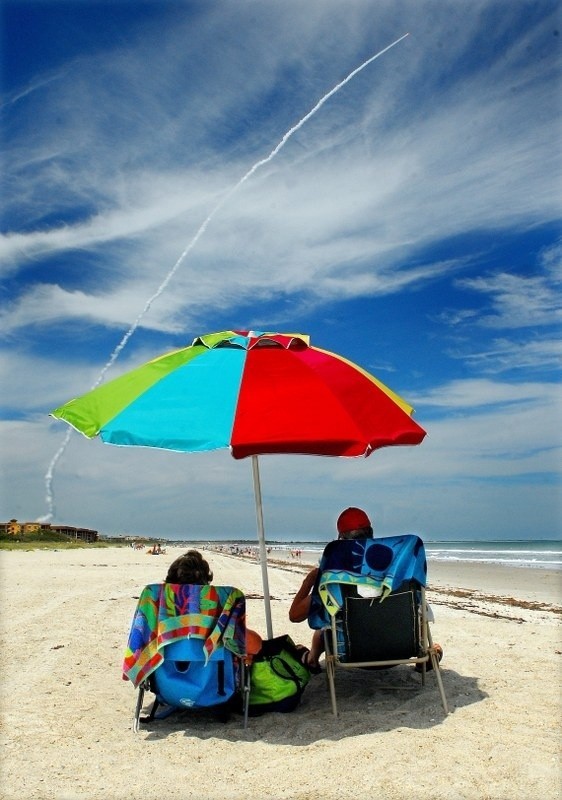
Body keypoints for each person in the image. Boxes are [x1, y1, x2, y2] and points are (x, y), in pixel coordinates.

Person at [289, 507, 374, 671]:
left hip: (353, 652)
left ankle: (312, 659)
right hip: (401, 648)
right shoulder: (396, 568)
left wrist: (308, 582)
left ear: (340, 540)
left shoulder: (334, 578)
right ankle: (431, 651)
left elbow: (295, 615)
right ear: (371, 533)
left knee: (323, 630)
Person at [165, 550, 263, 658]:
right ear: (206, 584)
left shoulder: (154, 609)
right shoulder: (222, 607)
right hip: (217, 673)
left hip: (162, 674)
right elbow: (256, 646)